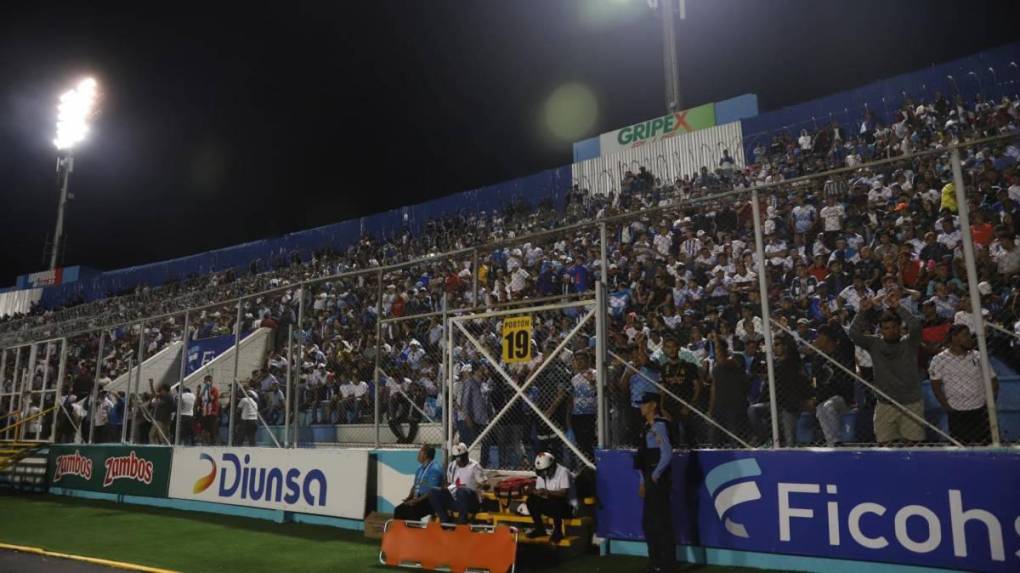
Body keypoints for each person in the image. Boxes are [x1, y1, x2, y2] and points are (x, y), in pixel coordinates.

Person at [848, 293, 924, 444]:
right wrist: (862, 311)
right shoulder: (874, 344)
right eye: (886, 328)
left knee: (913, 447)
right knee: (885, 445)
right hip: (885, 404)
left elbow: (915, 326)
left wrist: (898, 307)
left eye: (895, 327)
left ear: (900, 328)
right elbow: (853, 334)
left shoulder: (909, 343)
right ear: (881, 330)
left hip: (911, 402)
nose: (891, 331)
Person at [929, 324, 998, 444]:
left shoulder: (978, 356)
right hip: (956, 411)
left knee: (984, 445)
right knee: (960, 446)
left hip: (980, 410)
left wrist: (988, 403)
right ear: (954, 338)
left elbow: (993, 381)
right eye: (965, 335)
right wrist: (947, 407)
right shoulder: (939, 360)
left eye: (969, 336)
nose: (969, 339)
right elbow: (936, 386)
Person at [633, 392, 675, 573]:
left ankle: (666, 564)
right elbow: (643, 459)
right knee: (650, 522)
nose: (641, 407)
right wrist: (644, 480)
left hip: (656, 478)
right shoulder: (647, 426)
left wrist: (655, 475)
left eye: (644, 404)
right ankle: (655, 560)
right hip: (650, 476)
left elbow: (667, 453)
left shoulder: (659, 426)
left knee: (660, 521)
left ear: (653, 405)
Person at [428, 442, 484, 524]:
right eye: (457, 458)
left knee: (461, 490)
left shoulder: (475, 466)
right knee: (433, 491)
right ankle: (445, 520)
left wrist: (472, 487)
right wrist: (446, 488)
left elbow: (484, 483)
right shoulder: (452, 466)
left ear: (466, 455)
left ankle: (462, 522)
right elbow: (449, 483)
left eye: (461, 458)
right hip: (455, 498)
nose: (459, 461)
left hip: (471, 500)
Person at [525, 452, 573, 544]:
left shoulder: (563, 472)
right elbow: (541, 493)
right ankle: (539, 529)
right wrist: (533, 492)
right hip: (553, 506)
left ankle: (558, 531)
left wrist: (546, 492)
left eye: (545, 470)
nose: (544, 473)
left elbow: (564, 493)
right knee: (531, 500)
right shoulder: (542, 474)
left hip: (568, 508)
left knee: (555, 500)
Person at [393, 445, 443, 521]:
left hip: (429, 501)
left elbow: (431, 491)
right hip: (418, 498)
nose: (418, 455)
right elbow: (415, 485)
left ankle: (414, 531)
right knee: (398, 510)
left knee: (412, 511)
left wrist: (416, 500)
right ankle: (402, 532)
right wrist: (409, 497)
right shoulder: (420, 468)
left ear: (425, 455)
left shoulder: (434, 469)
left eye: (420, 453)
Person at [197, 375, 221, 445]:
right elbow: (199, 400)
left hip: (212, 413)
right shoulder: (204, 391)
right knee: (204, 429)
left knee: (211, 430)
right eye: (206, 381)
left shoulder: (214, 390)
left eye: (209, 381)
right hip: (204, 412)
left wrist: (208, 389)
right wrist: (199, 391)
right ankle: (204, 442)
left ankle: (212, 443)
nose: (208, 382)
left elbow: (211, 399)